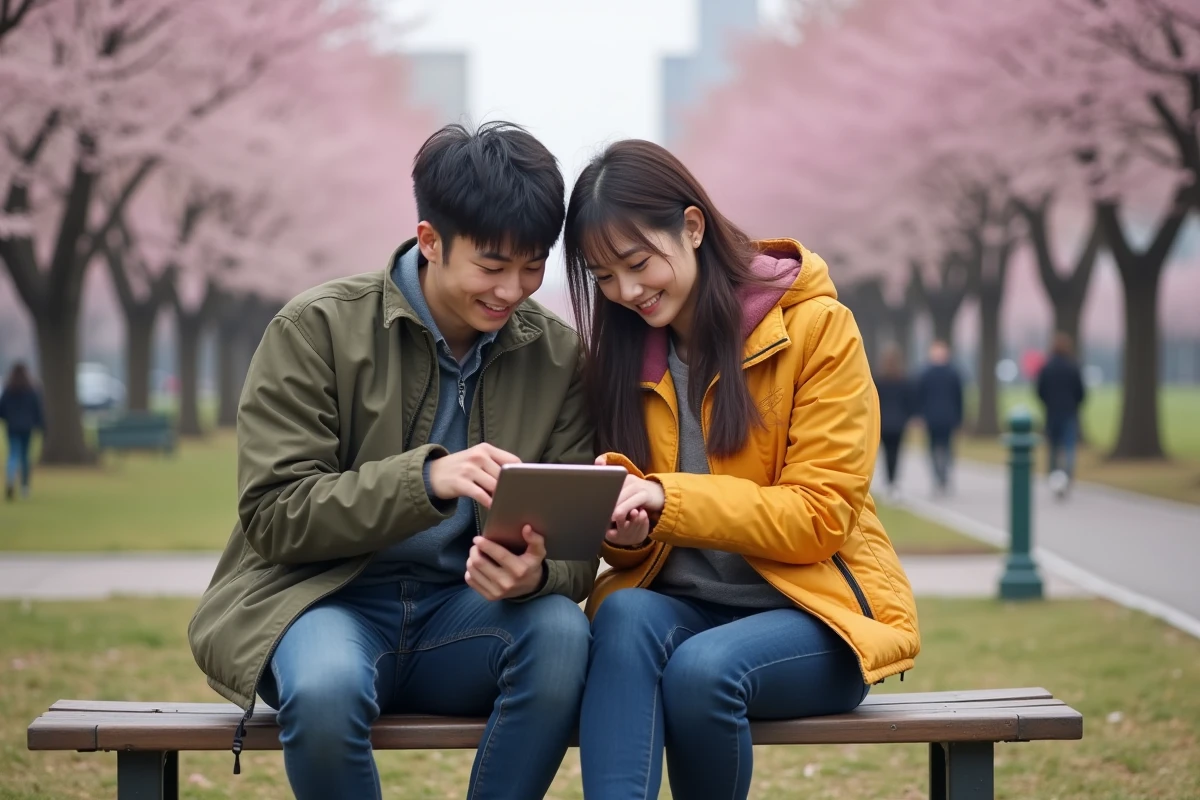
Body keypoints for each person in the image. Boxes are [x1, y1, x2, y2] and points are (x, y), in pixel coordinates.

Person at [188, 122, 598, 800]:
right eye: (492, 266)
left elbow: (576, 544)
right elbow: (273, 514)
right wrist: (426, 480)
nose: (513, 288)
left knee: (561, 633)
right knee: (323, 691)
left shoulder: (558, 357)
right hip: (321, 603)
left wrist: (537, 576)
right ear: (430, 240)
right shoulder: (315, 329)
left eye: (534, 264)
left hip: (466, 618)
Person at [562, 140, 920, 800]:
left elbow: (819, 517)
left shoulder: (816, 330)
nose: (626, 291)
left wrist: (666, 497)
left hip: (816, 616)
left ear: (692, 228)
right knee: (619, 618)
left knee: (702, 671)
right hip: (687, 608)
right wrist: (630, 529)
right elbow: (635, 517)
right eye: (603, 276)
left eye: (638, 263)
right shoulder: (621, 356)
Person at [1037, 332, 1086, 498]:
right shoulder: (1073, 367)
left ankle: (1053, 476)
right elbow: (1081, 391)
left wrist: (1048, 403)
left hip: (1052, 413)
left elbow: (1040, 390)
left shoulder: (1047, 367)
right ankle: (1068, 478)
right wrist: (1075, 404)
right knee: (1069, 447)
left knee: (1053, 447)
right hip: (1069, 412)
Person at [916, 340, 963, 494]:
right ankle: (941, 475)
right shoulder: (951, 372)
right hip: (939, 417)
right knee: (938, 447)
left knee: (940, 448)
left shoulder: (927, 373)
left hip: (939, 417)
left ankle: (941, 475)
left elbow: (958, 396)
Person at [874, 343, 914, 500]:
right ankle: (894, 482)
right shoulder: (903, 380)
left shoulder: (878, 380)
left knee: (886, 453)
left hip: (883, 422)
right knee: (896, 453)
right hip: (899, 423)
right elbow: (909, 402)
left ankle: (888, 481)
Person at [0, 362, 45, 501]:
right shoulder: (31, 390)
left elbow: (2, 409)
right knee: (25, 456)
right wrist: (40, 425)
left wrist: (8, 418)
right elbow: (37, 409)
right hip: (27, 427)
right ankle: (25, 486)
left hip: (13, 427)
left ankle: (11, 480)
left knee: (13, 454)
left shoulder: (9, 389)